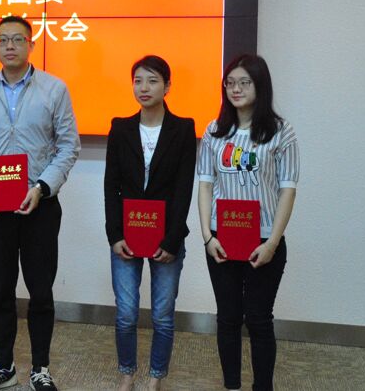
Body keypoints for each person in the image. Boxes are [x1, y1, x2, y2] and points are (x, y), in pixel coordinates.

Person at [0, 15, 81, 391]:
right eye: (3, 39)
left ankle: (40, 368)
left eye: (17, 39)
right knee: (1, 292)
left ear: (31, 44)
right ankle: (4, 366)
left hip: (39, 207)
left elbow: (69, 146)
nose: (10, 45)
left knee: (41, 292)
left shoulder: (54, 89)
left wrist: (43, 187)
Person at [197, 54, 299, 391]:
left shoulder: (281, 132)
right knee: (227, 318)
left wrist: (272, 243)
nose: (235, 89)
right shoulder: (214, 131)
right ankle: (231, 385)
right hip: (222, 241)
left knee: (258, 319)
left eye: (244, 82)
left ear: (260, 86)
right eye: (230, 83)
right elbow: (205, 184)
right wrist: (207, 236)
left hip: (265, 241)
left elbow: (287, 190)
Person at [103, 56, 196, 390]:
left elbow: (184, 188)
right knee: (126, 312)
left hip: (167, 236)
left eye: (153, 80)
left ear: (167, 86)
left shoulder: (183, 129)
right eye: (138, 80)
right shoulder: (120, 127)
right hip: (126, 236)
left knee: (162, 315)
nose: (144, 87)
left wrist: (172, 240)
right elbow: (111, 186)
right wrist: (114, 235)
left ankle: (156, 378)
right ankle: (127, 374)